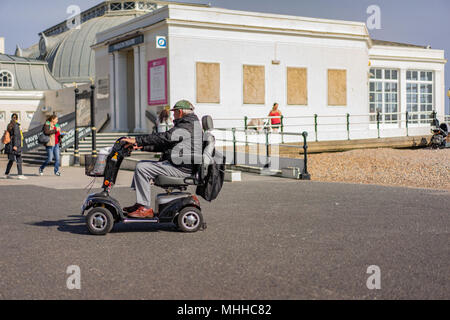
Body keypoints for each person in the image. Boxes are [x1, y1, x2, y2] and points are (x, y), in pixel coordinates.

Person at [121, 100, 203, 218]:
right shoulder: (190, 124)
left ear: (180, 112)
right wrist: (141, 146)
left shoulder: (187, 126)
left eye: (174, 112)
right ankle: (140, 203)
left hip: (180, 169)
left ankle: (144, 207)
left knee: (142, 168)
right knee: (142, 164)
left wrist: (137, 140)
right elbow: (166, 144)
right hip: (180, 165)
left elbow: (165, 138)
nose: (173, 115)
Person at [4, 113, 27, 180]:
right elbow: (16, 136)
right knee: (19, 159)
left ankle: (6, 174)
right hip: (14, 145)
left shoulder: (9, 125)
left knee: (11, 160)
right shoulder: (16, 125)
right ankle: (20, 175)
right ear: (17, 118)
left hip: (9, 145)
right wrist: (16, 145)